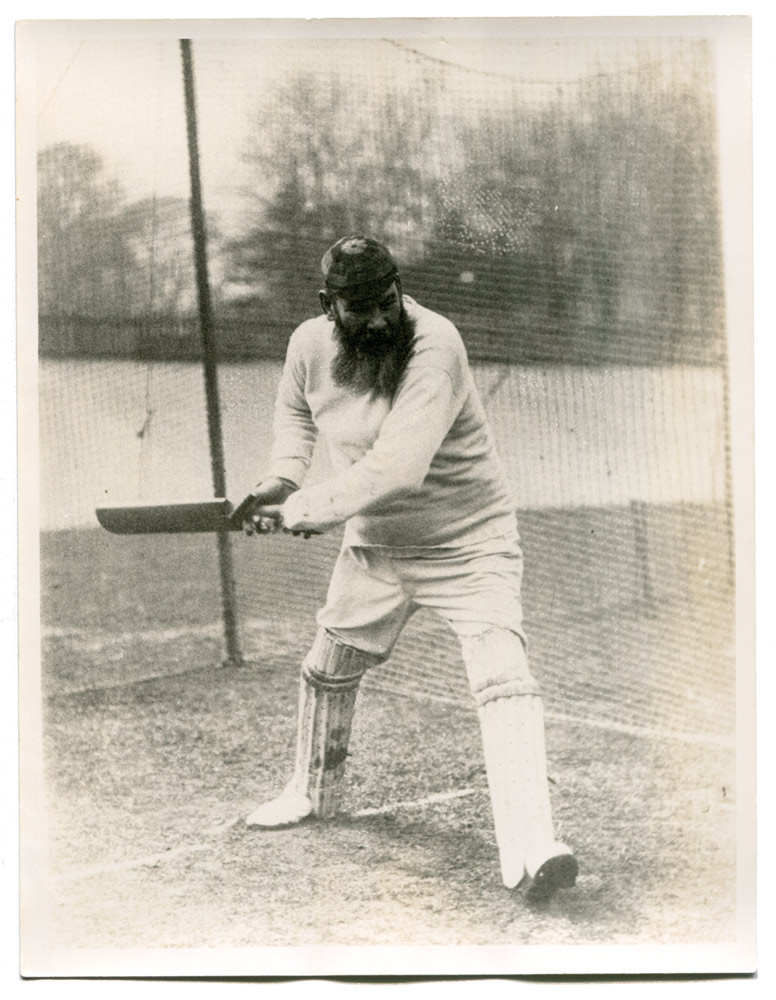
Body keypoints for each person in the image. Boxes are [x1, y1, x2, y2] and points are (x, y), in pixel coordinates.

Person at [239, 235, 577, 903]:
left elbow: (399, 467)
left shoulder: (436, 344)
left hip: (469, 542)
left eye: (386, 302)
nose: (376, 320)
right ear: (327, 306)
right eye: (358, 309)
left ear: (401, 291)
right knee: (327, 668)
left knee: (502, 677)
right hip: (377, 548)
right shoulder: (308, 344)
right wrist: (282, 479)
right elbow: (295, 412)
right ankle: (312, 791)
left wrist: (305, 509)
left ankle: (533, 849)